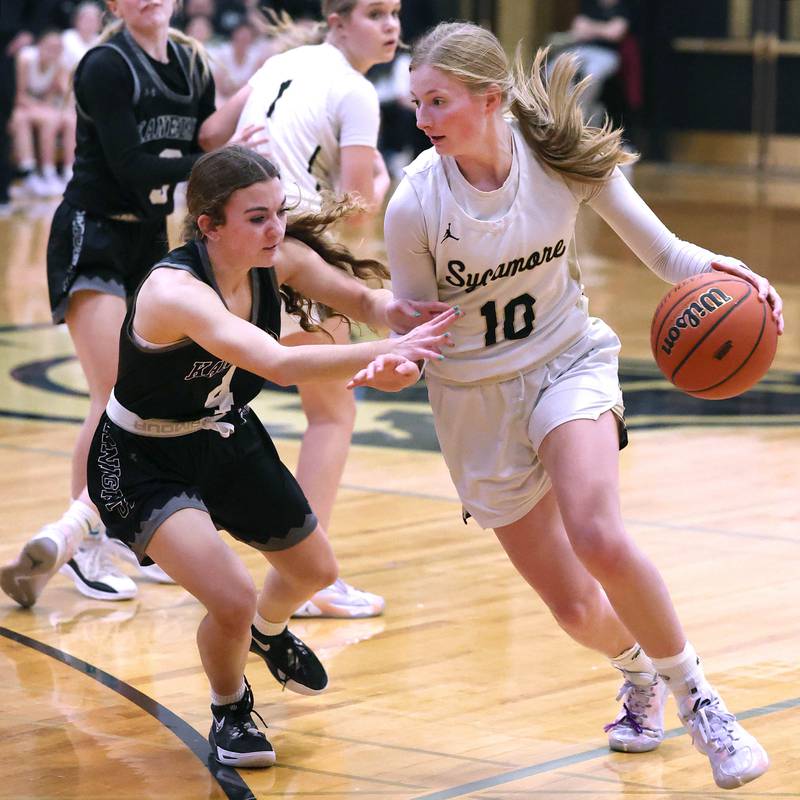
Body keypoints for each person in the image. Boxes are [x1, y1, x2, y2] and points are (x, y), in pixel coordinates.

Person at [357, 22, 785, 790]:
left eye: (438, 101)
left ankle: (703, 704)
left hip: (566, 362)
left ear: (491, 99)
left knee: (599, 535)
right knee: (577, 611)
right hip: (473, 397)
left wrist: (742, 280)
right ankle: (638, 673)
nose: (421, 118)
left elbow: (666, 254)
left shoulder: (556, 149)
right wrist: (394, 363)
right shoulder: (414, 203)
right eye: (416, 101)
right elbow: (417, 331)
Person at [85, 144, 456, 766]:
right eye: (257, 217)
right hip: (144, 455)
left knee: (314, 571)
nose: (276, 229)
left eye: (278, 212)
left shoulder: (276, 259)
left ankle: (270, 631)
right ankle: (230, 707)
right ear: (209, 225)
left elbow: (361, 301)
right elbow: (278, 362)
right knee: (229, 595)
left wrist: (401, 318)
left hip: (225, 434)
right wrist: (378, 359)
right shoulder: (174, 291)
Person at [0, 0, 227, 608]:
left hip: (150, 239)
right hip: (93, 232)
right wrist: (209, 164)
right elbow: (133, 168)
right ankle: (86, 550)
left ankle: (126, 536)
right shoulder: (105, 64)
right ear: (112, 5)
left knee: (147, 398)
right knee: (111, 394)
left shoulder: (193, 62)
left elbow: (209, 135)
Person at [198, 0, 400, 619]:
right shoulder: (355, 89)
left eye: (395, 12)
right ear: (337, 20)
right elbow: (363, 203)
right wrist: (389, 181)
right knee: (332, 414)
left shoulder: (283, 61)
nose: (390, 25)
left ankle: (157, 536)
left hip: (223, 249)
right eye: (374, 13)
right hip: (291, 248)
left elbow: (210, 137)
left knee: (201, 401)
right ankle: (308, 574)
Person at [10, 29, 75, 197]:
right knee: (33, 118)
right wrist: (43, 108)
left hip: (40, 107)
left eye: (57, 48)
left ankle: (68, 172)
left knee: (69, 119)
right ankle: (33, 172)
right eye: (49, 47)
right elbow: (19, 96)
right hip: (19, 106)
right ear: (39, 45)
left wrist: (62, 88)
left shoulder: (59, 64)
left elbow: (56, 95)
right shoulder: (25, 59)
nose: (53, 51)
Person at [550, 0, 631, 125]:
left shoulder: (623, 7)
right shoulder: (589, 4)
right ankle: (561, 111)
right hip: (582, 48)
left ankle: (580, 114)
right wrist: (604, 29)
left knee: (592, 73)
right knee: (555, 67)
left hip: (607, 53)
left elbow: (615, 33)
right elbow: (578, 28)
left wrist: (590, 28)